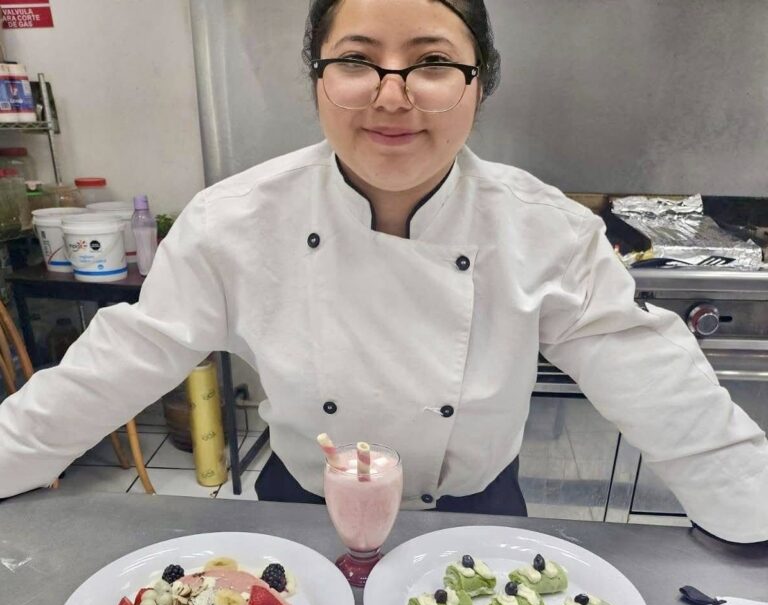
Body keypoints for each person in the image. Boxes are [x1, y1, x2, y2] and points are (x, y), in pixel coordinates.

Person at [0, 0, 766, 542]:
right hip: (298, 514)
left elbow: (662, 387)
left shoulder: (545, 230)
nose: (392, 95)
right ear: (317, 81)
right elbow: (117, 363)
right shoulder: (234, 221)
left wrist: (753, 511)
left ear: (480, 83)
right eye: (357, 62)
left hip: (476, 516)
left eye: (432, 62)